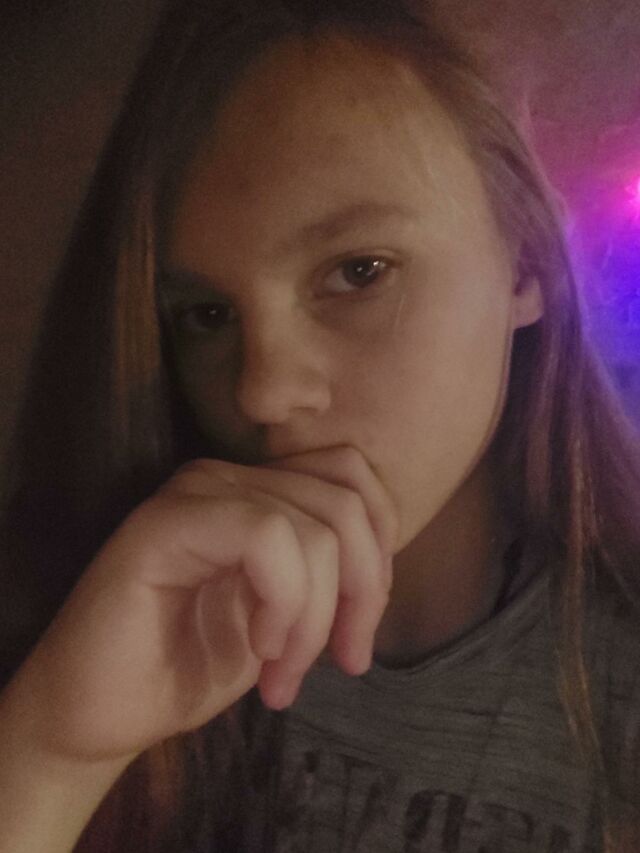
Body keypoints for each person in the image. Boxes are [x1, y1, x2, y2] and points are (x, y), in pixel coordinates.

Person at [1, 0, 640, 850]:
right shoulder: (99, 618)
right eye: (205, 314)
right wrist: (49, 755)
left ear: (524, 263)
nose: (262, 392)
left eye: (359, 270)